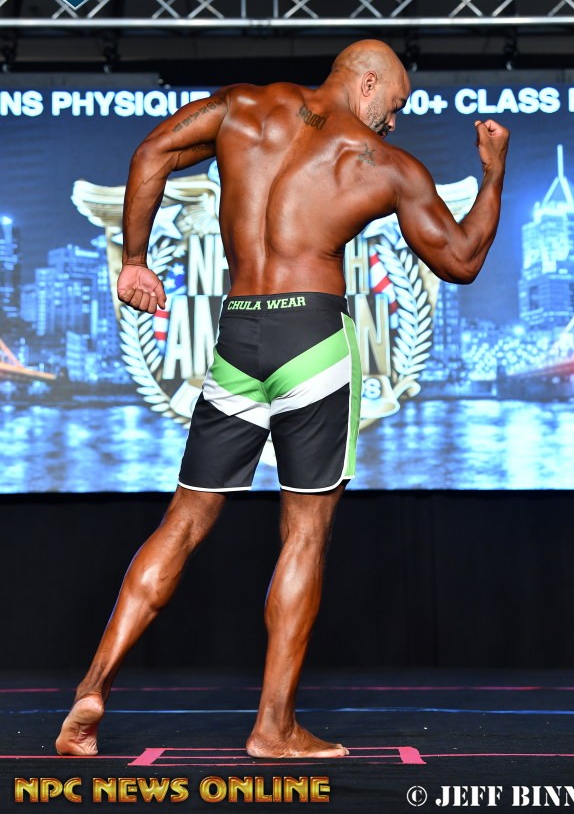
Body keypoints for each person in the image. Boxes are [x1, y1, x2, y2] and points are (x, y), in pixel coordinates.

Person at [55, 39, 509, 759]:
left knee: (182, 523)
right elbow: (460, 260)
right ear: (368, 84)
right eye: (395, 105)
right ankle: (273, 727)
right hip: (313, 338)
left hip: (240, 333)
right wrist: (493, 172)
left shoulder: (243, 107)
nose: (394, 121)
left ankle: (92, 689)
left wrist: (135, 260)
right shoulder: (382, 163)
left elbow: (151, 153)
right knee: (304, 534)